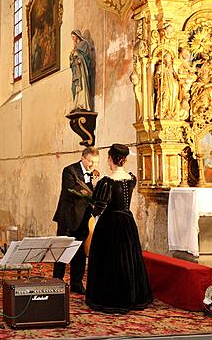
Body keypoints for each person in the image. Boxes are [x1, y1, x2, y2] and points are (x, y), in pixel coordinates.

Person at [85, 144, 152, 314]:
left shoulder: (106, 182)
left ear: (110, 159)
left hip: (110, 223)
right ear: (124, 160)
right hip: (127, 221)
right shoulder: (131, 179)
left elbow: (99, 206)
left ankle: (109, 297)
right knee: (128, 258)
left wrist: (95, 187)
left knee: (108, 260)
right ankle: (131, 296)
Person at [52, 146, 100, 294]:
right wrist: (92, 188)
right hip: (68, 217)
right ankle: (57, 280)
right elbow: (71, 189)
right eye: (90, 161)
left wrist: (97, 187)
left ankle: (76, 283)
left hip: (84, 218)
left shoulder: (94, 174)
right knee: (62, 249)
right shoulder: (70, 171)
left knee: (79, 251)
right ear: (83, 158)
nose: (93, 165)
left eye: (96, 162)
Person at [70, 30, 94, 111]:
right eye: (72, 38)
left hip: (82, 69)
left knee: (82, 84)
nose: (73, 39)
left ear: (77, 35)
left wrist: (77, 55)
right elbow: (72, 59)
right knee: (76, 87)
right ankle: (77, 103)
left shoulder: (84, 44)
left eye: (74, 37)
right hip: (76, 70)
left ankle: (83, 103)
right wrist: (72, 56)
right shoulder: (76, 46)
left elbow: (85, 57)